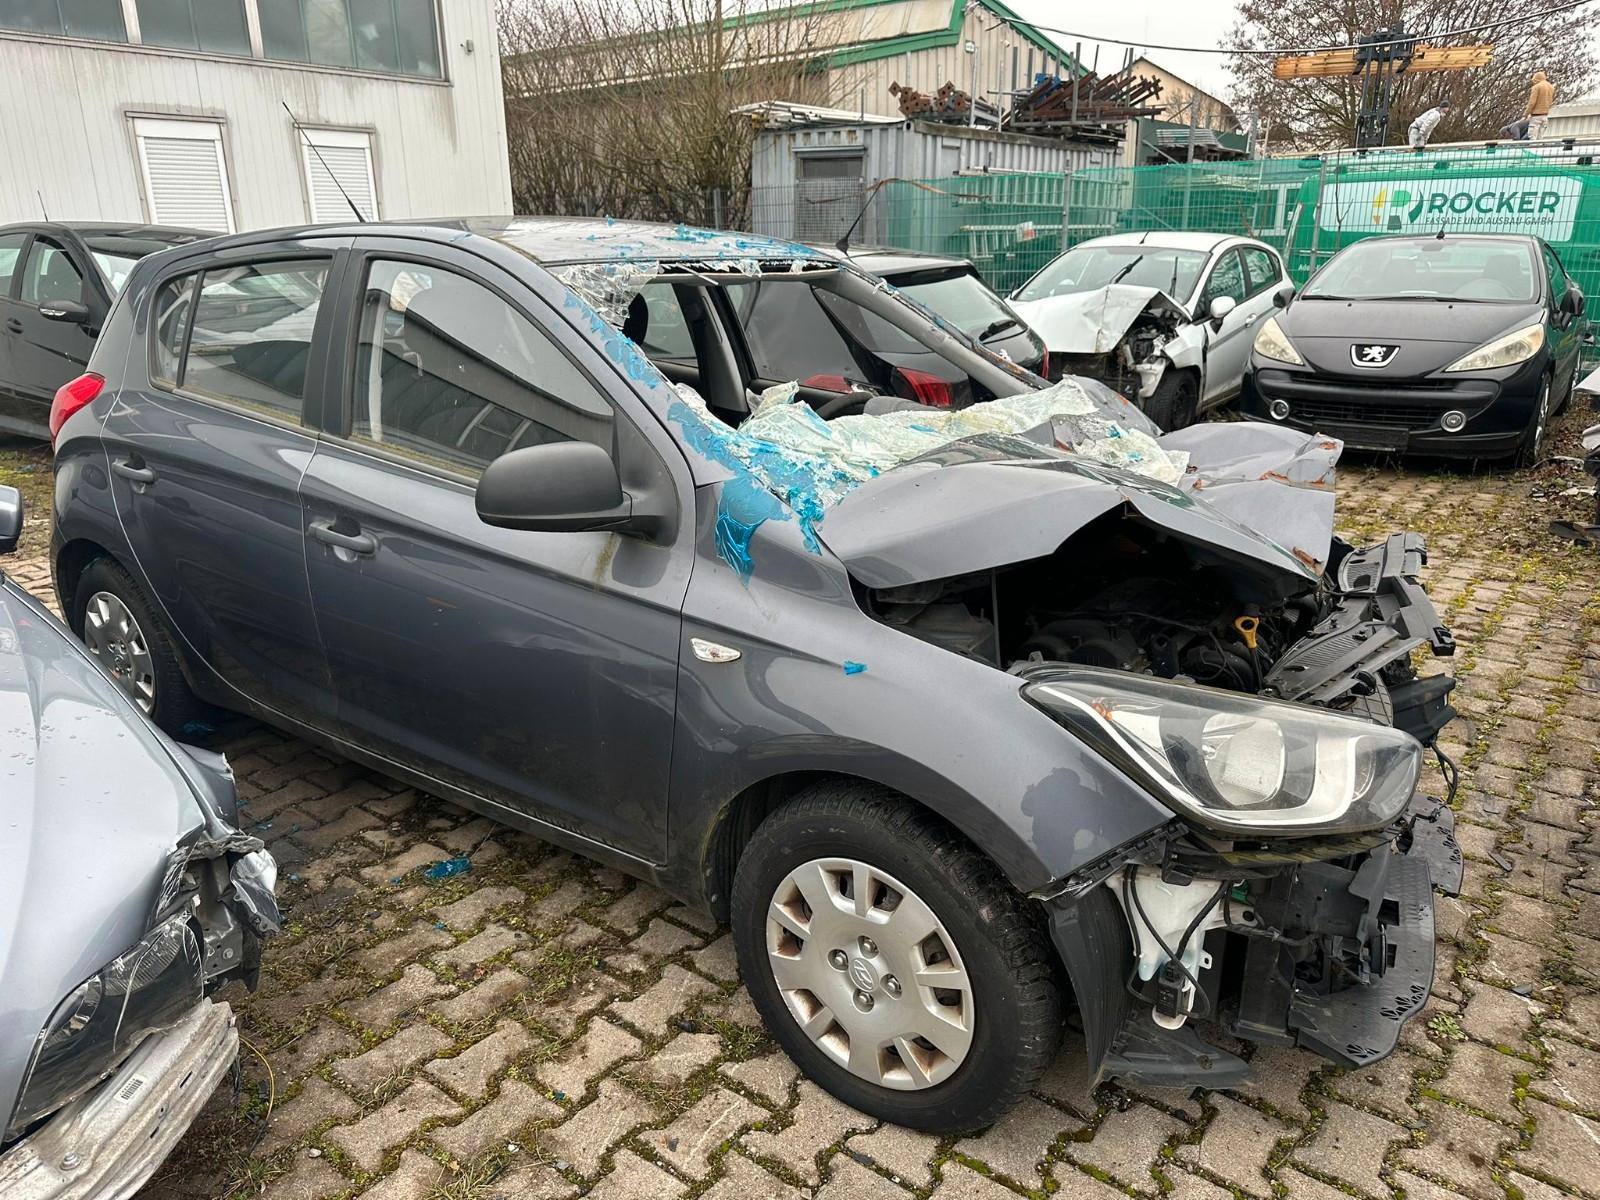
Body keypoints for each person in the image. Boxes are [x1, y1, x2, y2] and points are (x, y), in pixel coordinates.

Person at [1526, 69, 1556, 140]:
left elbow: (1532, 102)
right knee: (1540, 137)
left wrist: (1526, 114)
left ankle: (1532, 150)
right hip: (1545, 115)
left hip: (1536, 116)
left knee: (1532, 137)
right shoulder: (1551, 87)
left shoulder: (1536, 87)